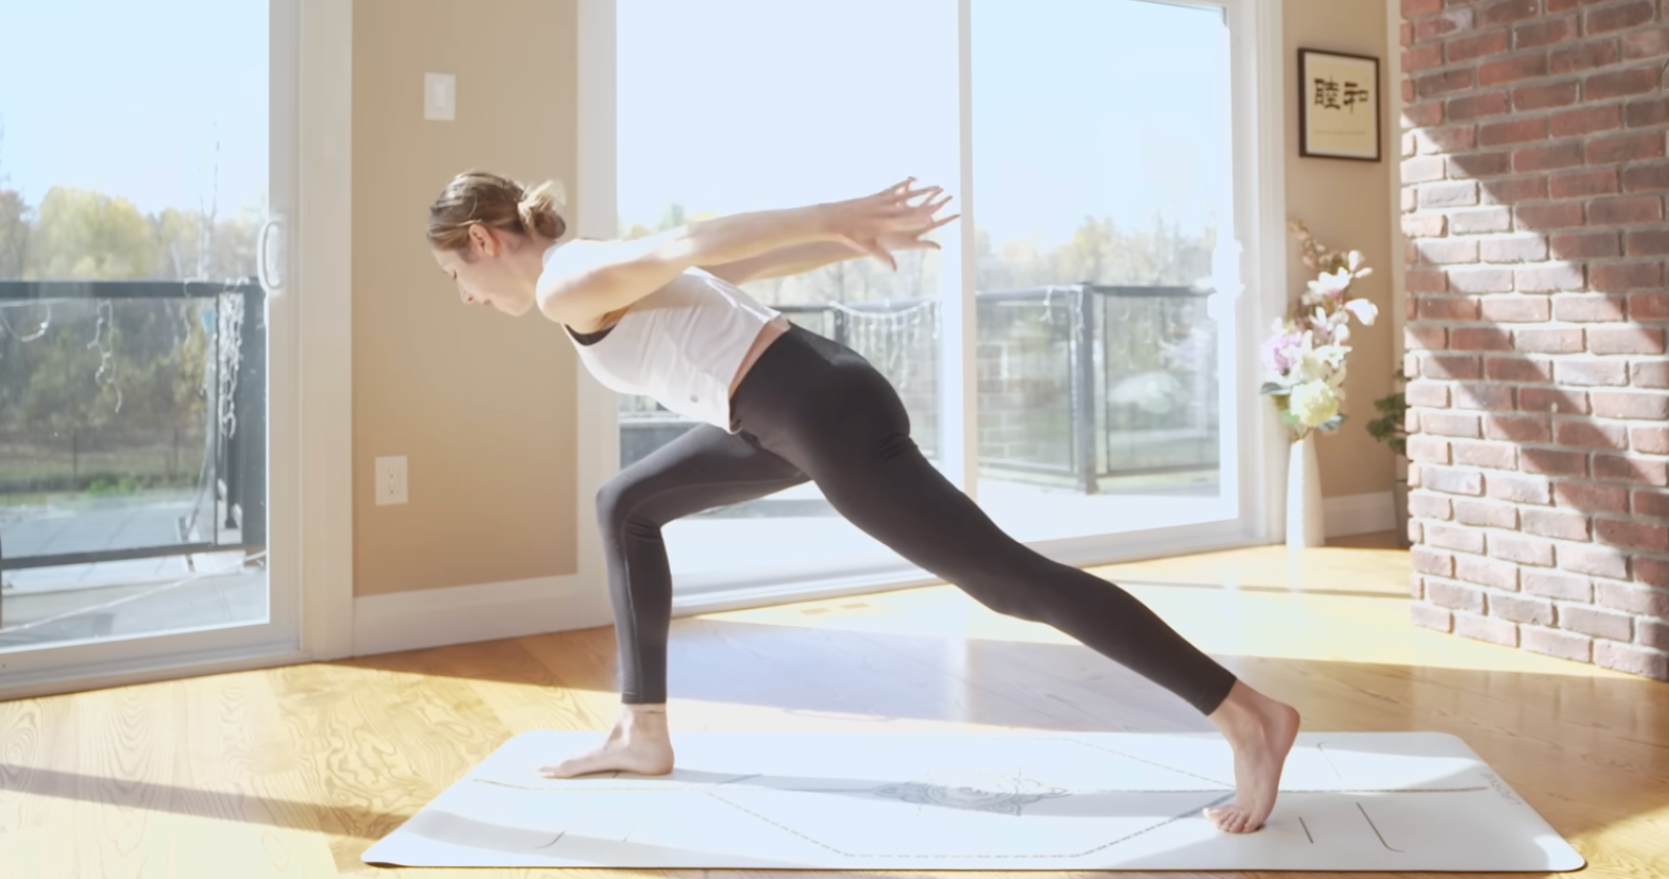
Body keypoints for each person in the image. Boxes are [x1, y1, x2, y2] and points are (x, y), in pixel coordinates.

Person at [424, 170, 1301, 834]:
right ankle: (639, 731)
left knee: (1009, 582)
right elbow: (744, 260)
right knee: (627, 502)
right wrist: (844, 243)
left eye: (453, 276)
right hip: (781, 413)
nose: (462, 296)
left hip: (813, 410)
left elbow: (697, 236)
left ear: (483, 240)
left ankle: (1246, 714)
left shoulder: (565, 281)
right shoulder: (583, 274)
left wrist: (831, 216)